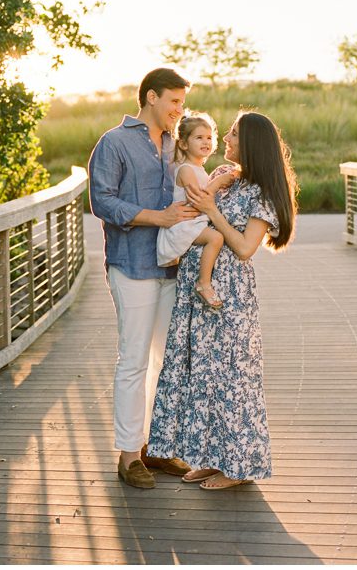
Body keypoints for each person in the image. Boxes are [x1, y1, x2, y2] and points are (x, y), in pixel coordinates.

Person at [147, 111, 298, 490]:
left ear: (250, 143)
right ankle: (215, 459)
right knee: (205, 376)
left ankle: (239, 468)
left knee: (233, 377)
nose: (224, 141)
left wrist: (212, 211)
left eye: (231, 134)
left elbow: (246, 248)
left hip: (228, 294)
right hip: (198, 292)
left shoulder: (258, 192)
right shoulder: (230, 181)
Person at [87, 67, 199, 489]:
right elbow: (103, 202)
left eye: (182, 104)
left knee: (164, 362)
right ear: (151, 97)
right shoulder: (114, 143)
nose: (178, 111)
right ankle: (129, 456)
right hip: (131, 265)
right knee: (133, 362)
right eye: (174, 101)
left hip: (171, 268)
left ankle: (157, 447)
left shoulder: (176, 144)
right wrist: (160, 217)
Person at [155, 111, 238, 309]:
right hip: (184, 224)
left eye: (209, 138)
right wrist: (217, 183)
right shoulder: (185, 170)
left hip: (194, 222)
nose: (205, 142)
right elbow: (198, 201)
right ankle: (203, 283)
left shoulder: (199, 169)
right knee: (216, 238)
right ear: (183, 144)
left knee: (216, 237)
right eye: (199, 138)